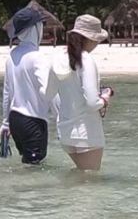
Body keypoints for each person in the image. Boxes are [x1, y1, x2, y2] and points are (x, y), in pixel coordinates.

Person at [49, 14, 114, 171]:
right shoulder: (86, 60)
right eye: (97, 40)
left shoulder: (58, 58)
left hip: (65, 132)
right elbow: (92, 103)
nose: (98, 43)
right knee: (90, 181)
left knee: (80, 177)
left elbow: (48, 95)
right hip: (86, 132)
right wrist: (105, 98)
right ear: (90, 39)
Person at [0, 6, 52, 164]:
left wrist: (5, 123)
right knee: (35, 167)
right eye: (40, 25)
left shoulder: (12, 55)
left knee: (27, 164)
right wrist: (61, 119)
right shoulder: (38, 58)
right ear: (34, 29)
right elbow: (49, 91)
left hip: (15, 119)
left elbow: (7, 93)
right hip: (33, 120)